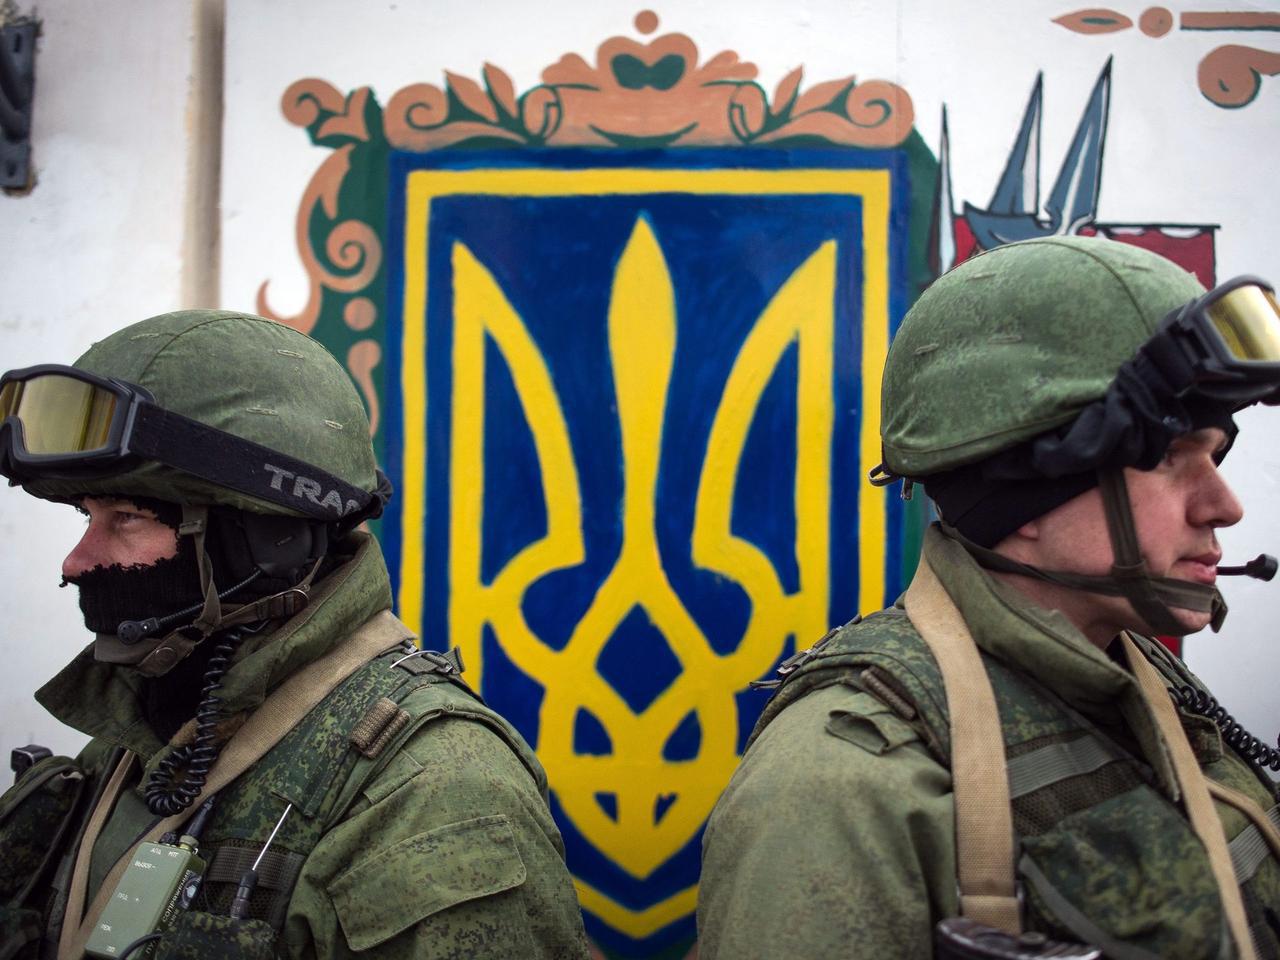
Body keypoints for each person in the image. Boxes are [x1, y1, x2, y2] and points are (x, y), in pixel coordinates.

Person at [698, 237, 1280, 958]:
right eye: (1167, 457)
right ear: (1027, 488)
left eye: (1215, 454)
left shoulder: (1138, 678)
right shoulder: (839, 787)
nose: (1225, 506)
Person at [0, 310, 590, 959]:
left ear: (267, 540)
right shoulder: (142, 728)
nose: (76, 562)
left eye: (128, 519)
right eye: (87, 516)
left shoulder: (430, 789)